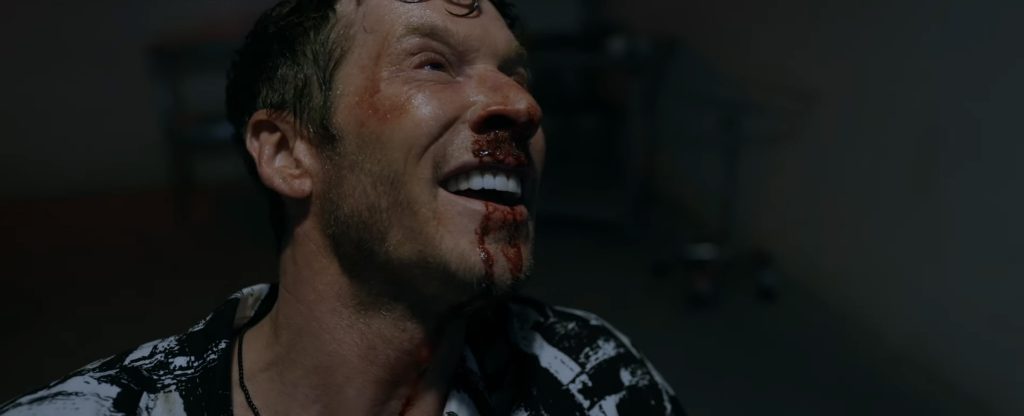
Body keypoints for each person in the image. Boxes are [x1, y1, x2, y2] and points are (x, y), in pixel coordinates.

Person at [0, 0, 682, 414]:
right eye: (432, 63)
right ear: (288, 155)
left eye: (515, 73)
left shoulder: (600, 380)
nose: (522, 104)